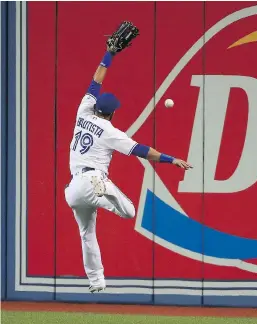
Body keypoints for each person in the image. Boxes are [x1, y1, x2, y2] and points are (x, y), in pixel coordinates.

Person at [64, 47, 192, 293]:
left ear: (96, 107)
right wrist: (171, 159)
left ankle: (96, 281)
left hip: (74, 189)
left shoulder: (83, 111)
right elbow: (141, 150)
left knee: (86, 234)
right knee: (130, 212)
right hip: (93, 180)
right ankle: (104, 191)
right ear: (112, 113)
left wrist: (109, 53)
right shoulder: (110, 131)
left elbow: (95, 81)